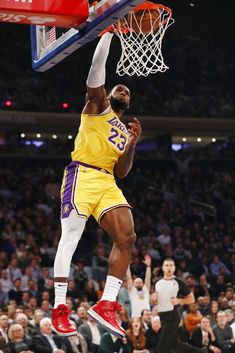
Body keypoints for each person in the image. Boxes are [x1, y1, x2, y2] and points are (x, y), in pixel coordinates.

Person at [52, 32, 142, 339]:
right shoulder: (97, 108)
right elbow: (95, 70)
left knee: (127, 236)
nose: (123, 91)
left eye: (127, 91)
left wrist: (131, 145)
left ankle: (106, 304)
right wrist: (107, 33)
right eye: (119, 87)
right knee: (71, 237)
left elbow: (122, 171)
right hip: (81, 174)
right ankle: (59, 309)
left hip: (106, 180)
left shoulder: (122, 128)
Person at [155, 258, 208, 353]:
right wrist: (153, 298)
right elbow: (157, 301)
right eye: (166, 265)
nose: (169, 267)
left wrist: (179, 300)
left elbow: (192, 299)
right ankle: (200, 352)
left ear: (174, 268)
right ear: (163, 268)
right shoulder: (158, 283)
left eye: (171, 265)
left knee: (162, 347)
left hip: (172, 316)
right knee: (174, 344)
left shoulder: (178, 282)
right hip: (162, 316)